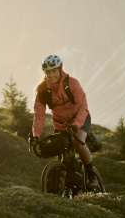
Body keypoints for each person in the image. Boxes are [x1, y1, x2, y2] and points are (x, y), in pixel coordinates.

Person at [30, 54, 100, 188]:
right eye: (48, 72)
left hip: (81, 118)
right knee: (64, 155)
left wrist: (76, 125)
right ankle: (70, 186)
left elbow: (83, 106)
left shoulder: (72, 83)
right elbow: (39, 116)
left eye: (54, 71)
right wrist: (35, 135)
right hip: (61, 125)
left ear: (60, 69)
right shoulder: (42, 91)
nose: (51, 75)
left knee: (78, 142)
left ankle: (91, 174)